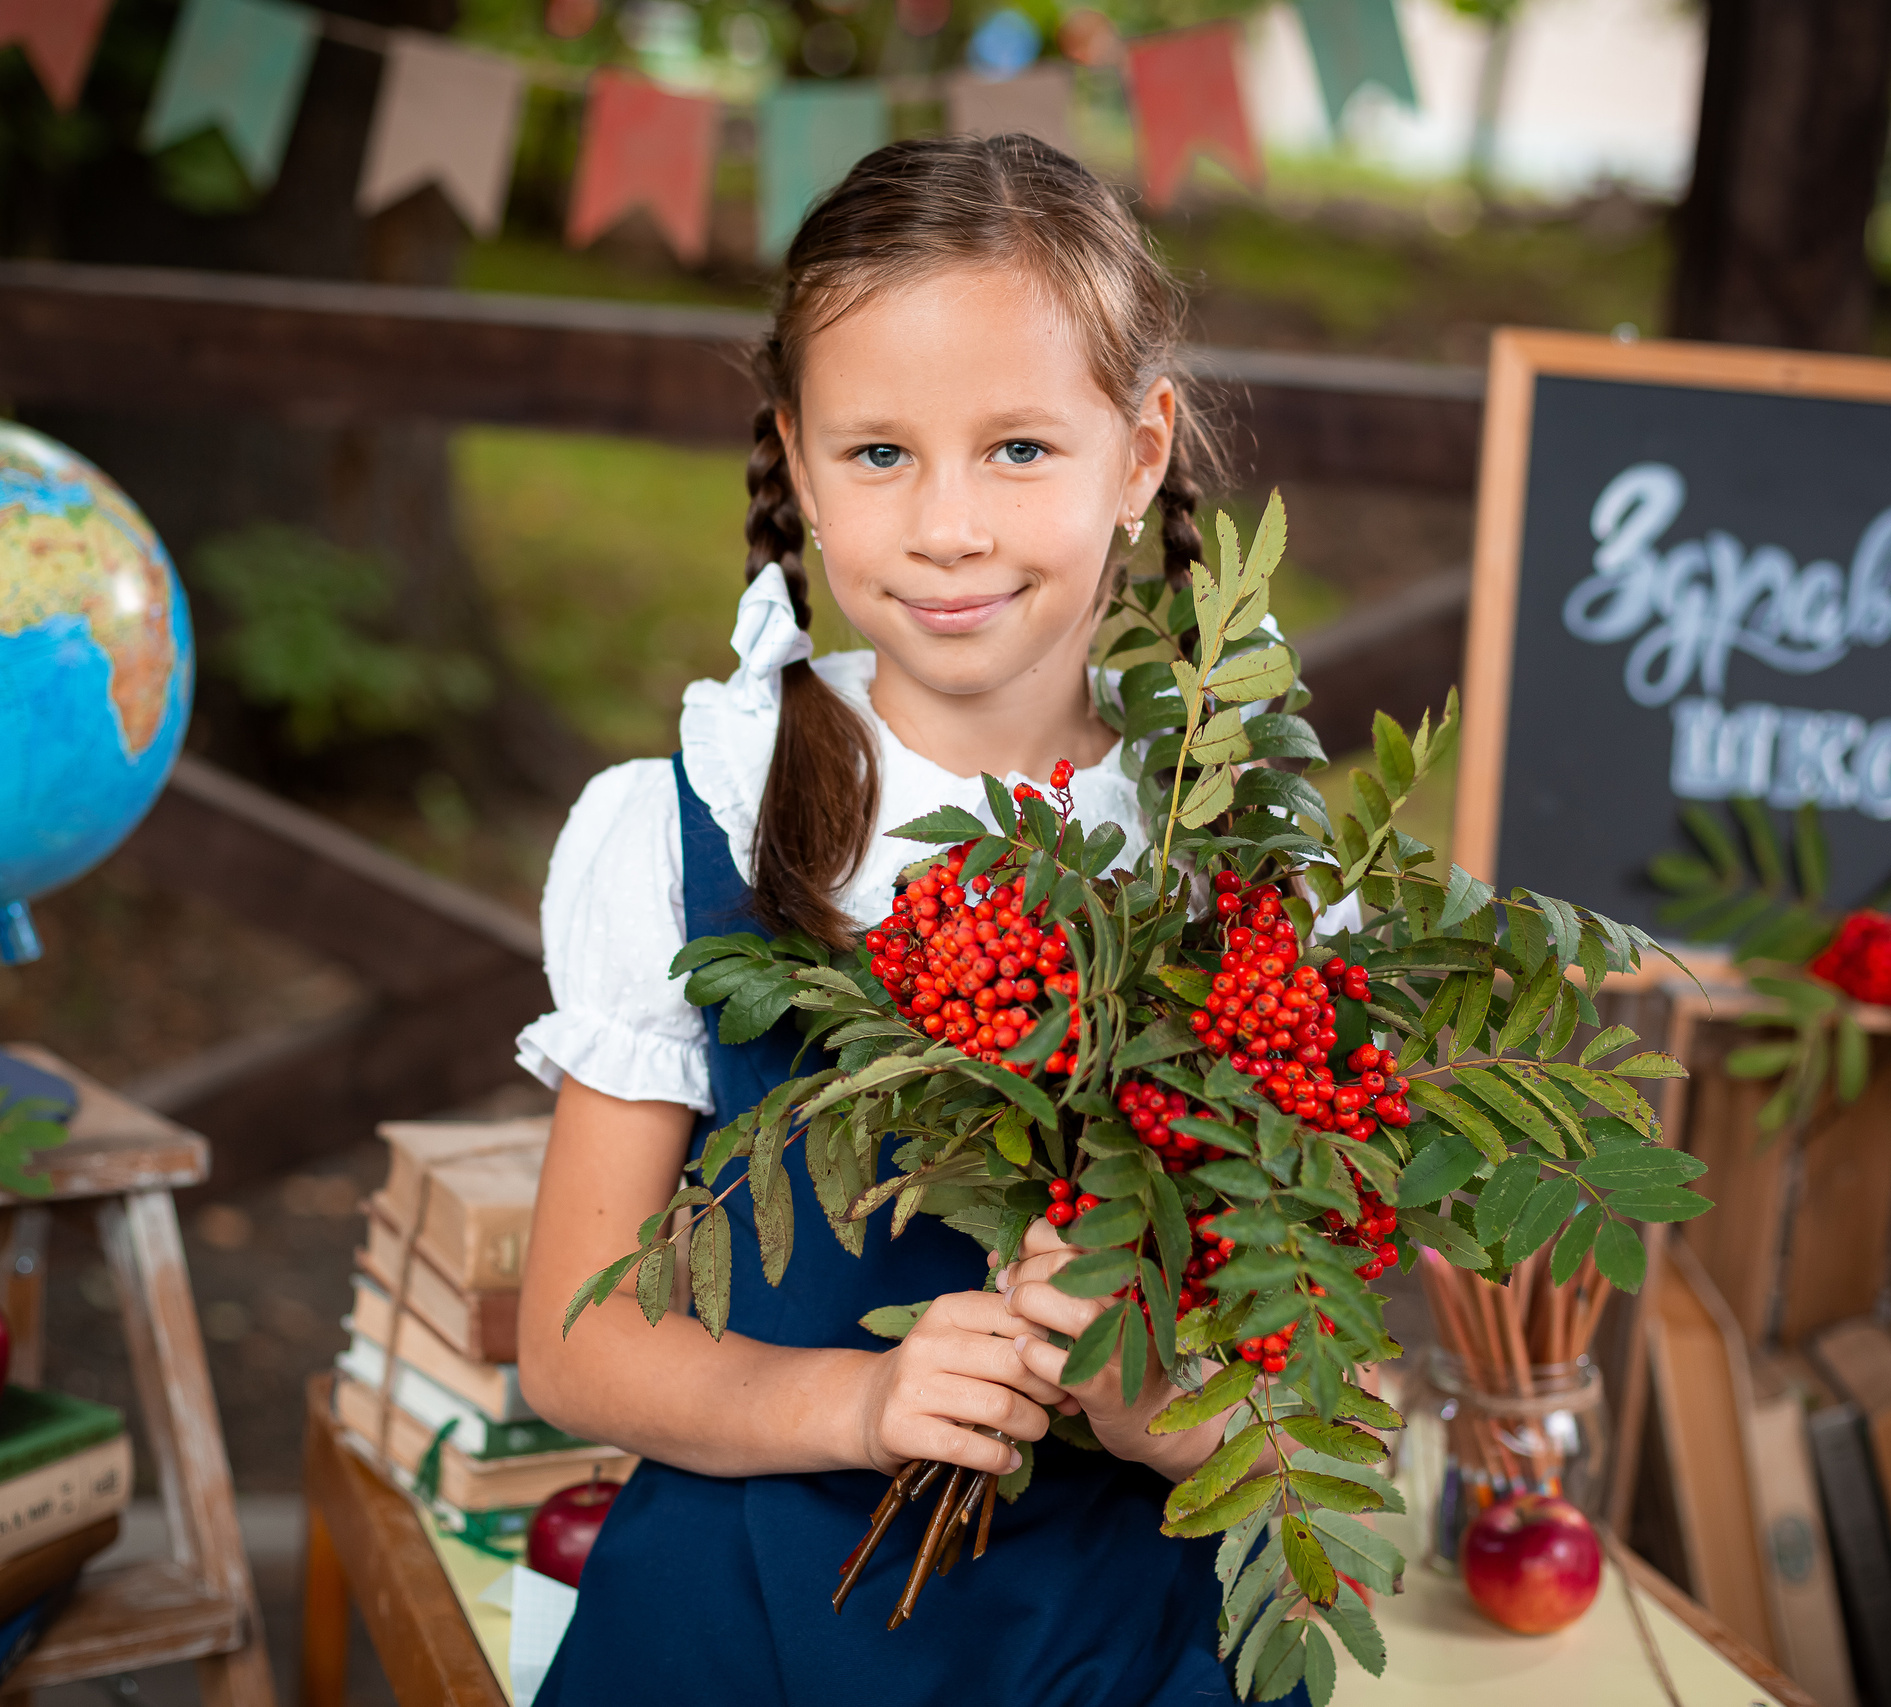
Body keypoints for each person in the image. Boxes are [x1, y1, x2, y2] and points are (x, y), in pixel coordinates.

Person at [515, 133, 1310, 1704]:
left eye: (1020, 449)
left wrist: (1170, 1408)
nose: (948, 526)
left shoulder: (1244, 865)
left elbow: (1326, 1408)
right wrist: (865, 1406)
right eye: (880, 454)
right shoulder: (692, 824)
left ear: (1140, 451)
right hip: (749, 1626)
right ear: (798, 463)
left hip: (1128, 1644)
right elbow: (574, 1345)